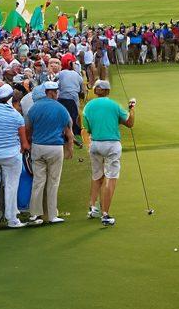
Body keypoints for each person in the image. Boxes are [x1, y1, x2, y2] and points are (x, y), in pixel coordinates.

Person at [82, 79, 135, 226]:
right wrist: (132, 109)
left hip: (95, 144)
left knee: (97, 176)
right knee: (111, 178)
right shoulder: (114, 105)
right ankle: (105, 214)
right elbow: (130, 123)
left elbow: (87, 128)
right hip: (112, 145)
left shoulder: (88, 106)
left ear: (96, 91)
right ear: (107, 91)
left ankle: (92, 207)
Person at [24, 80, 74, 225]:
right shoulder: (61, 108)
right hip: (55, 147)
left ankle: (35, 214)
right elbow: (68, 130)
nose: (57, 93)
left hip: (38, 146)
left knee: (38, 181)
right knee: (53, 182)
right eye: (55, 91)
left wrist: (30, 141)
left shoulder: (34, 108)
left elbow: (28, 129)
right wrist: (70, 148)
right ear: (50, 92)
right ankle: (51, 215)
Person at [0, 84, 26, 230]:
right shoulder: (16, 116)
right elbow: (24, 142)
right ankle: (12, 219)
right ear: (10, 99)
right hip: (11, 155)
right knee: (11, 186)